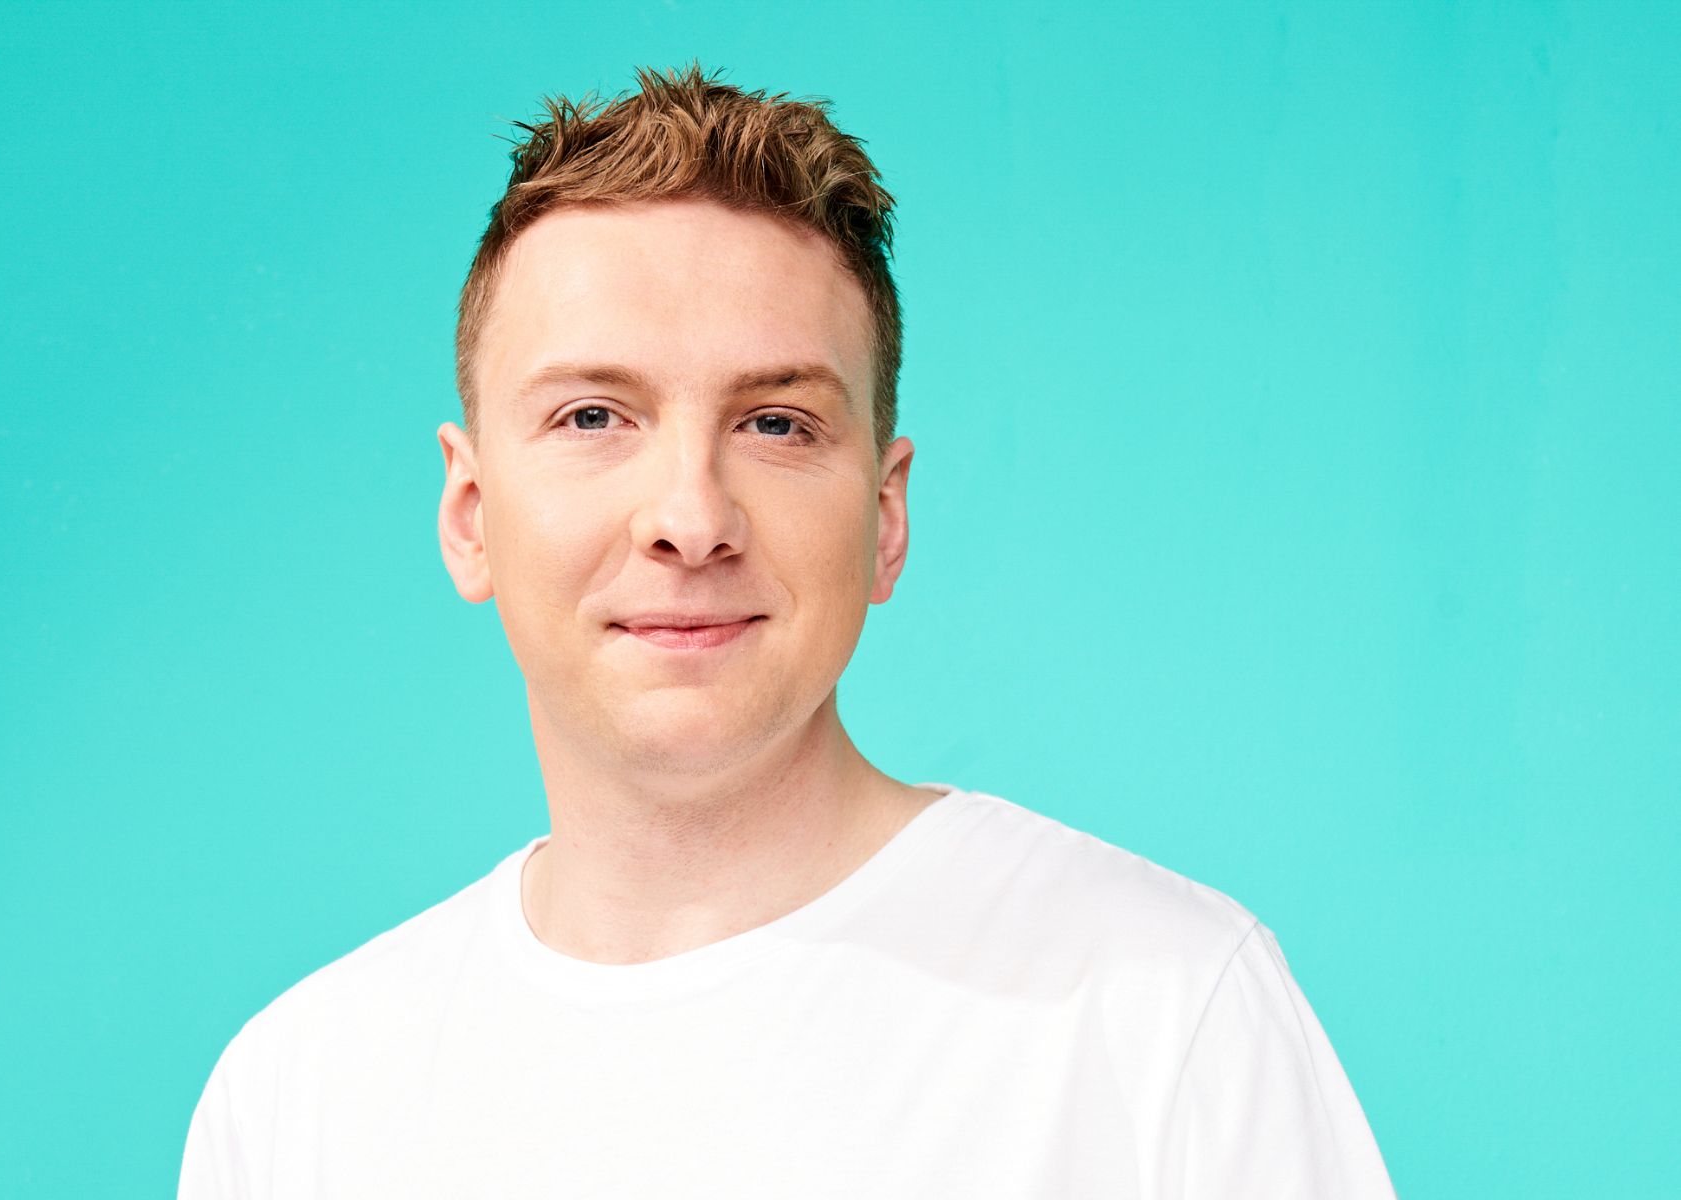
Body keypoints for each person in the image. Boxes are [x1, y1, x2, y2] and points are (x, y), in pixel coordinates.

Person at [178, 64, 1395, 1198]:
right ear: (470, 514)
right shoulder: (300, 1097)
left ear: (884, 515)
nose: (691, 520)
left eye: (775, 424)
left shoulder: (1163, 1013)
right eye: (595, 415)